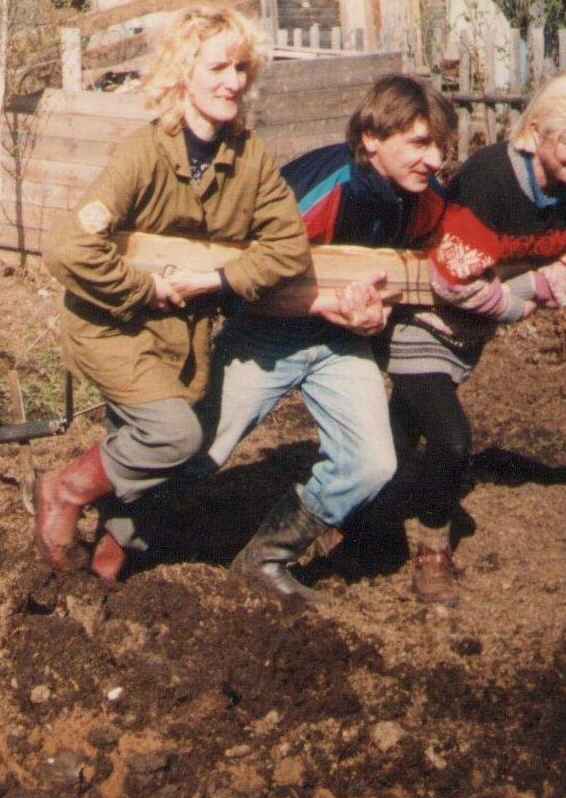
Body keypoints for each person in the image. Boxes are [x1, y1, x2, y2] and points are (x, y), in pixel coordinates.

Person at [36, 5, 312, 584]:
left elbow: (288, 249)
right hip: (110, 327)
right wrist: (144, 286)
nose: (233, 82)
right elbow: (66, 247)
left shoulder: (249, 158)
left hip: (184, 341)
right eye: (217, 66)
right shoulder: (143, 153)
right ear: (183, 73)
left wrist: (217, 280)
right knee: (174, 435)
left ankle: (108, 565)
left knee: (150, 448)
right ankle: (64, 490)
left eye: (242, 68)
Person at [180, 74, 457, 605]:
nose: (434, 159)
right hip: (267, 328)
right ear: (372, 137)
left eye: (441, 146)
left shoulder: (427, 201)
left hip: (338, 341)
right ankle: (89, 500)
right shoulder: (327, 182)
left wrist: (378, 315)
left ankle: (263, 560)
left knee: (372, 463)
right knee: (196, 453)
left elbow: (406, 278)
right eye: (420, 143)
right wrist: (322, 304)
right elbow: (238, 279)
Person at [381, 73, 566, 603]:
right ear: (535, 135)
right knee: (451, 441)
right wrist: (513, 303)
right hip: (423, 322)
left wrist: (530, 284)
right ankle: (432, 551)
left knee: (394, 442)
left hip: (470, 332)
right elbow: (452, 278)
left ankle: (358, 517)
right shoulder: (491, 179)